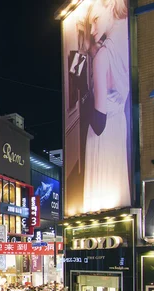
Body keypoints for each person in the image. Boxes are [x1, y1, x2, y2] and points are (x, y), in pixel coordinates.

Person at [83, 0, 130, 212]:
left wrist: (86, 100)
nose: (93, 30)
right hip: (119, 126)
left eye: (95, 21)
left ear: (110, 5)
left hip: (102, 138)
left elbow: (99, 123)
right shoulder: (128, 41)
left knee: (99, 203)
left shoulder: (103, 56)